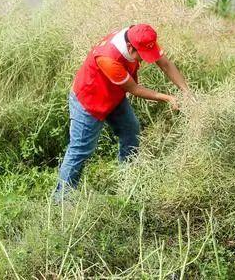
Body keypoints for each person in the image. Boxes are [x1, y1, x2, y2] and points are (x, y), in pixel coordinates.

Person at [55, 24, 189, 196]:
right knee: (81, 149)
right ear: (130, 47)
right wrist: (169, 98)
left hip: (113, 95)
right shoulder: (108, 58)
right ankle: (61, 198)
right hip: (89, 100)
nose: (144, 60)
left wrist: (186, 92)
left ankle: (127, 179)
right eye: (142, 56)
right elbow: (134, 89)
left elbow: (165, 64)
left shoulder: (142, 38)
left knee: (131, 130)